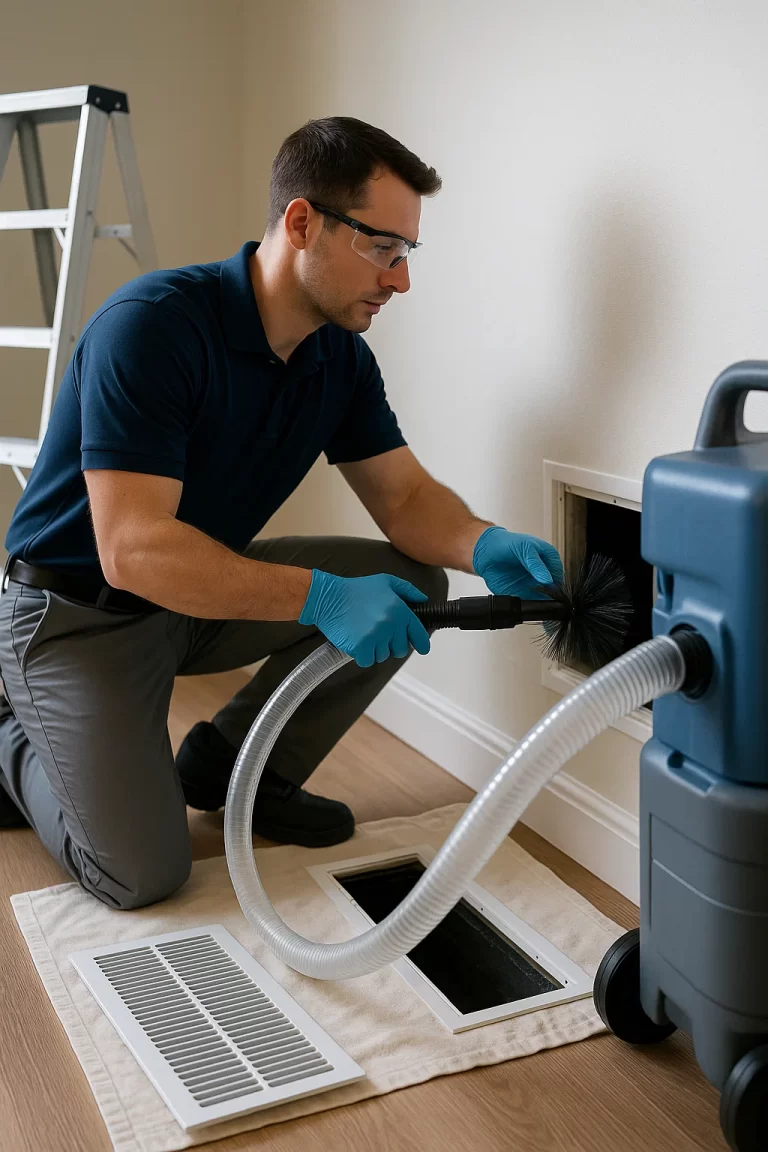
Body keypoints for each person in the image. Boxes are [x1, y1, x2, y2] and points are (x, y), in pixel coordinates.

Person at [0, 117, 563, 911]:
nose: (399, 280)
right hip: (75, 614)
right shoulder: (153, 328)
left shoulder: (338, 358)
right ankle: (12, 736)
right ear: (303, 223)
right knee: (141, 874)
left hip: (188, 602)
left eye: (407, 255)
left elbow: (402, 500)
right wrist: (323, 598)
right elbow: (133, 550)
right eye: (383, 248)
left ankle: (237, 771)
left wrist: (485, 541)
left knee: (410, 579)